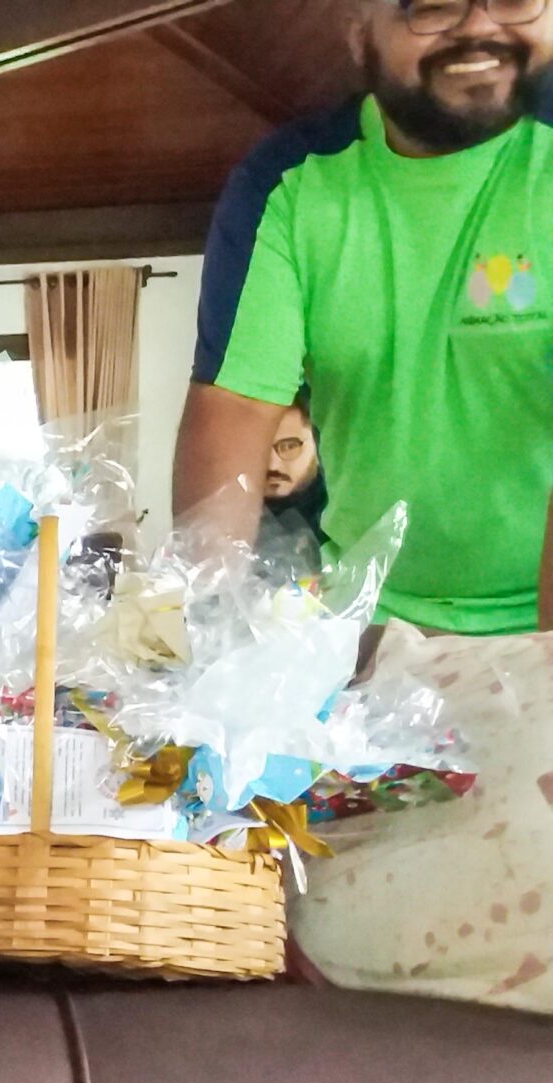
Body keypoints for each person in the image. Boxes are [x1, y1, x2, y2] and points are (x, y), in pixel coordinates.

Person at [175, 0, 553, 634]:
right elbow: (237, 408)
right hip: (363, 622)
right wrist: (208, 627)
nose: (480, 26)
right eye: (433, 5)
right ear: (360, 36)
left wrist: (538, 668)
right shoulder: (288, 183)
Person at [257, 401, 329, 582]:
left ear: (318, 445)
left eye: (289, 446)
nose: (272, 465)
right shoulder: (228, 523)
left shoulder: (342, 518)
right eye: (260, 449)